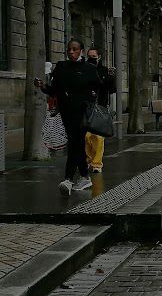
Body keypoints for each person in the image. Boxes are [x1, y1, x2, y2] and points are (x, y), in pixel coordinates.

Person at [35, 38, 101, 195]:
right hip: (66, 113)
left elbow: (97, 89)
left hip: (83, 114)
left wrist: (90, 100)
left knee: (74, 143)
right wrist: (43, 86)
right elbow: (54, 91)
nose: (71, 52)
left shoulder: (89, 68)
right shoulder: (62, 67)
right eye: (69, 49)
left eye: (75, 49)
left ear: (81, 51)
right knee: (77, 144)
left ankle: (68, 180)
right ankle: (85, 176)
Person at [84, 46, 116, 173]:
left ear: (99, 58)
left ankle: (97, 164)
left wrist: (111, 77)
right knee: (86, 136)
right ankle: (88, 160)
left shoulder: (104, 71)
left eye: (93, 57)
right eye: (89, 57)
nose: (91, 59)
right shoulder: (84, 70)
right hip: (86, 107)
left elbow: (112, 89)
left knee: (98, 137)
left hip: (100, 107)